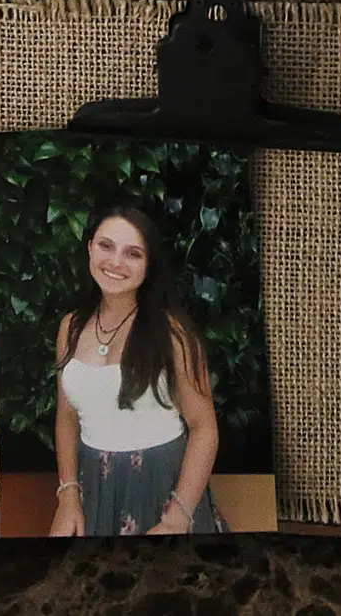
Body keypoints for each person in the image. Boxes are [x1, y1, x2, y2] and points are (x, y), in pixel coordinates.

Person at [46, 206, 228, 537]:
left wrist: (178, 517)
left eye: (133, 253)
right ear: (89, 248)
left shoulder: (174, 335)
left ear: (148, 267)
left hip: (161, 491)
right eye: (106, 246)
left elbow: (204, 429)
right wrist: (68, 495)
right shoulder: (69, 328)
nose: (116, 262)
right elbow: (66, 417)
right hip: (92, 490)